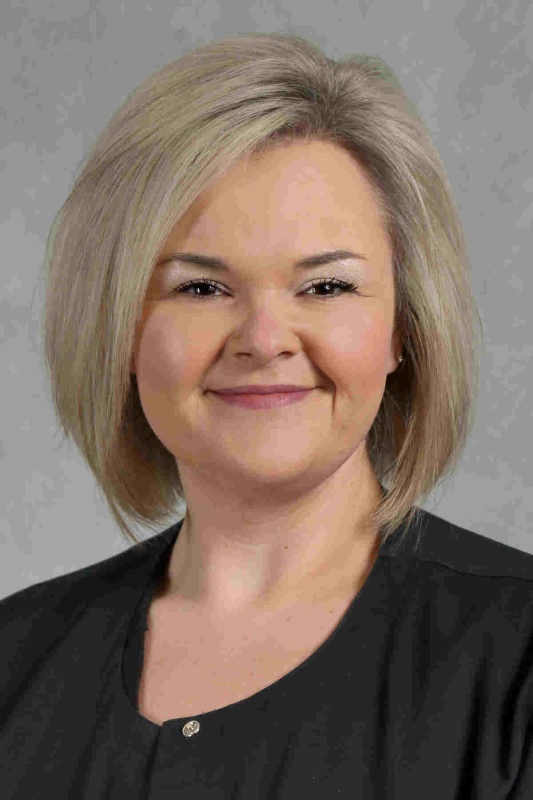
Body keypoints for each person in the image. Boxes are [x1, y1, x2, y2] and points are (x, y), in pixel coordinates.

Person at [1, 32, 532, 798]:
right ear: (117, 329)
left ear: (403, 330)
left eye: (325, 287)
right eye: (200, 288)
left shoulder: (513, 660)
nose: (263, 339)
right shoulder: (15, 657)